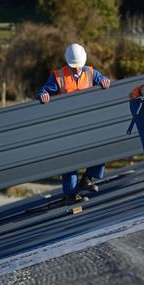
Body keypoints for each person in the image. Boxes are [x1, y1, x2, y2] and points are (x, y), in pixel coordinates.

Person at [37, 43, 111, 203]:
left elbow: (104, 80)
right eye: (73, 66)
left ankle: (88, 178)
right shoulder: (58, 76)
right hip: (68, 125)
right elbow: (43, 90)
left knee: (103, 147)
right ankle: (71, 194)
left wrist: (105, 81)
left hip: (89, 122)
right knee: (71, 159)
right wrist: (43, 95)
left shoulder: (91, 72)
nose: (77, 69)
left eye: (79, 66)